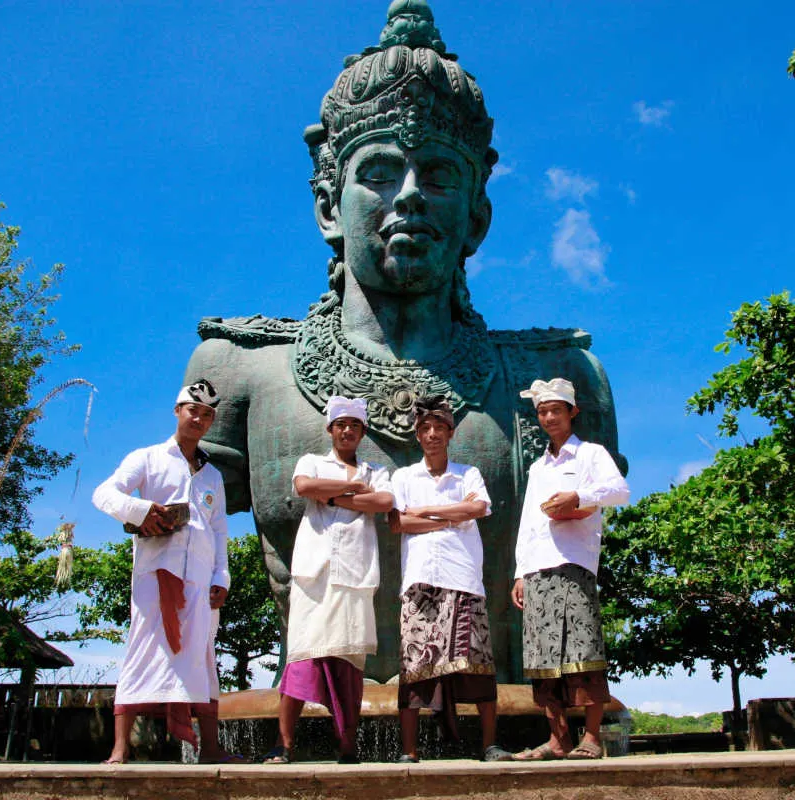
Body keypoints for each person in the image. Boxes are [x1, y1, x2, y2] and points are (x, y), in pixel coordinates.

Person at [184, 0, 625, 683]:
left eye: (441, 175)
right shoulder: (240, 368)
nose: (411, 195)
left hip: (504, 714)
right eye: (380, 172)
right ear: (331, 208)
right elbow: (192, 522)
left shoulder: (556, 378)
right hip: (315, 724)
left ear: (476, 217)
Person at [91, 379, 236, 764]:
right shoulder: (148, 458)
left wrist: (222, 577)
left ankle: (210, 749)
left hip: (201, 580)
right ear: (177, 411)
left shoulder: (212, 476)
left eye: (207, 415)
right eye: (193, 411)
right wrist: (141, 512)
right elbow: (104, 494)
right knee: (142, 650)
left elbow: (219, 529)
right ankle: (120, 748)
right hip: (157, 575)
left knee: (203, 656)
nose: (199, 419)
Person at [264, 396, 393, 765]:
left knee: (349, 659)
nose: (347, 430)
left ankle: (347, 744)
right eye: (341, 425)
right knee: (302, 652)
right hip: (314, 574)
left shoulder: (376, 470)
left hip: (354, 575)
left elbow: (383, 501)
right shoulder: (312, 462)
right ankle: (284, 742)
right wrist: (353, 492)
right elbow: (305, 486)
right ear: (331, 430)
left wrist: (332, 496)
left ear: (363, 431)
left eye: (354, 425)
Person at [389, 396, 513, 763]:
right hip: (420, 579)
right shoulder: (404, 477)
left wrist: (426, 510)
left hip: (462, 578)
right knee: (415, 664)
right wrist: (452, 517)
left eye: (439, 428)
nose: (432, 435)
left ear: (450, 432)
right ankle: (409, 750)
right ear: (418, 434)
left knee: (477, 661)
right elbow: (398, 522)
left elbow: (477, 508)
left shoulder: (467, 473)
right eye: (425, 428)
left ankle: (489, 744)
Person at [511, 378, 630, 761]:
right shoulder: (537, 467)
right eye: (543, 411)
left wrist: (579, 496)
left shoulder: (590, 455)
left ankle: (591, 737)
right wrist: (519, 571)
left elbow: (619, 492)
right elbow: (529, 520)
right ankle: (557, 739)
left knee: (584, 648)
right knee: (543, 655)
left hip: (575, 563)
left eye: (556, 411)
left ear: (572, 413)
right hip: (538, 569)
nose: (549, 417)